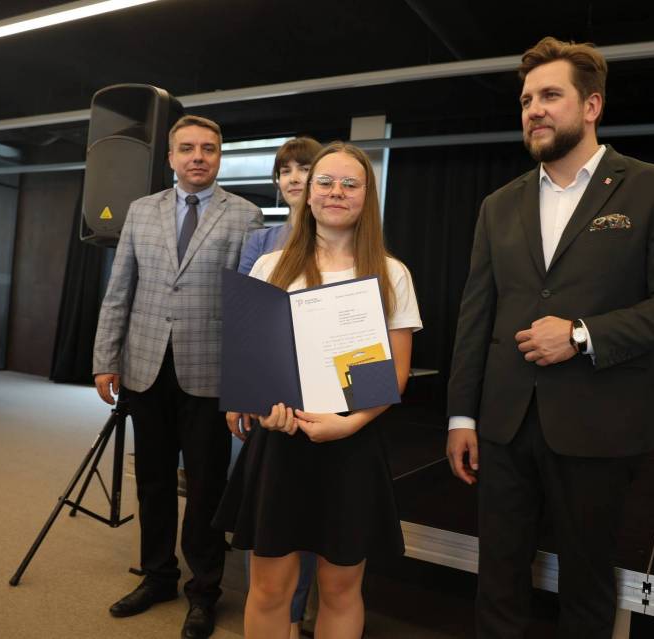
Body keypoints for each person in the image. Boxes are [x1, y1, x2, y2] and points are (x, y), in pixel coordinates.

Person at [445, 37, 654, 638]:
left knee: (587, 586)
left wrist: (583, 334)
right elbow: (475, 315)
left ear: (591, 106)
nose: (534, 109)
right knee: (498, 579)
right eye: (526, 100)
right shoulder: (498, 205)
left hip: (600, 423)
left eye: (550, 95)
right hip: (504, 424)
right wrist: (461, 415)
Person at [214, 142, 422, 639]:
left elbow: (394, 375)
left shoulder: (391, 273)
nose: (336, 192)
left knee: (340, 589)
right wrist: (257, 407)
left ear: (367, 196)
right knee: (269, 589)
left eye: (350, 183)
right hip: (280, 444)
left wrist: (348, 424)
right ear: (307, 194)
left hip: (351, 444)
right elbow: (252, 364)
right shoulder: (271, 267)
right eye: (325, 182)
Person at [93, 114, 263, 639]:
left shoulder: (246, 215)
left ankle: (204, 591)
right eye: (187, 148)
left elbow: (248, 305)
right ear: (170, 157)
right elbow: (120, 288)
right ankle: (157, 575)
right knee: (153, 480)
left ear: (219, 156)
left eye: (208, 148)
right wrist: (105, 357)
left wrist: (247, 380)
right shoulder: (141, 211)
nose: (197, 157)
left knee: (207, 486)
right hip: (145, 366)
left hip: (210, 372)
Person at [229, 135, 322, 639]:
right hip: (268, 396)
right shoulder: (260, 242)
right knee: (267, 518)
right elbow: (245, 321)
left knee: (308, 517)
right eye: (285, 170)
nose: (293, 178)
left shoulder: (344, 236)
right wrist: (242, 392)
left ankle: (294, 617)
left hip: (322, 397)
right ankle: (272, 618)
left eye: (303, 168)